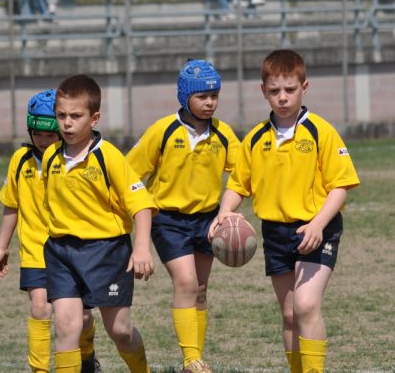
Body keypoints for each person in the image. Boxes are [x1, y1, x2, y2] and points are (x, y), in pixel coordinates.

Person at [208, 49, 360, 373]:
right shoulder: (255, 138)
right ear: (264, 91)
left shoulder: (321, 132)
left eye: (290, 89)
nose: (282, 98)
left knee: (306, 305)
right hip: (275, 233)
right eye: (274, 91)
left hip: (317, 228)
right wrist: (224, 211)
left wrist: (319, 224)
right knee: (290, 314)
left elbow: (341, 185)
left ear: (305, 87)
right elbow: (238, 185)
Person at [126, 60, 240, 373]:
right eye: (202, 96)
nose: (210, 102)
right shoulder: (162, 131)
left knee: (200, 290)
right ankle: (191, 360)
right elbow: (129, 174)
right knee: (186, 282)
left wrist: (231, 213)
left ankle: (196, 357)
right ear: (184, 96)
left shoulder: (224, 134)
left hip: (207, 220)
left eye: (214, 96)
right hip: (168, 220)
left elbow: (244, 174)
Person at [42, 74, 157, 372]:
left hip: (107, 252)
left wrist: (142, 248)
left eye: (75, 116)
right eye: (61, 115)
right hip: (61, 251)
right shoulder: (51, 157)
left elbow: (142, 204)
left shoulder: (109, 158)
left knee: (120, 331)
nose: (67, 123)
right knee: (66, 328)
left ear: (94, 118)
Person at [0, 88, 102, 373]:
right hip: (35, 250)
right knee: (40, 308)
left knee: (83, 319)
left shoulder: (74, 160)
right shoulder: (20, 161)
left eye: (50, 136)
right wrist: (2, 247)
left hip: (74, 251)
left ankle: (87, 356)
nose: (43, 141)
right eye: (37, 134)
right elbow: (11, 206)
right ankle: (39, 369)